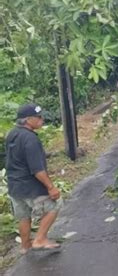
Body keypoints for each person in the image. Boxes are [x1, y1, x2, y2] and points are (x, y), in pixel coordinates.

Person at [5, 104, 62, 254]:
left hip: (14, 186)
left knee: (23, 216)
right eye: (38, 117)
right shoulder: (30, 139)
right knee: (55, 204)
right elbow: (37, 170)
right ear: (28, 120)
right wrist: (51, 187)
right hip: (30, 186)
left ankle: (25, 246)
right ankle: (40, 239)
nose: (42, 120)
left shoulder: (12, 134)